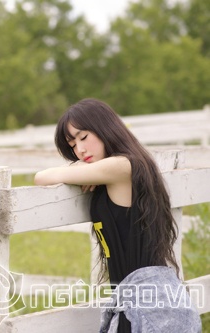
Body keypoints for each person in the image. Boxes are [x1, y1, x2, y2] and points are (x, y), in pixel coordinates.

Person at [34, 98, 201, 332]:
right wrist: (85, 170)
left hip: (148, 307)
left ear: (105, 128)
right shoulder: (127, 166)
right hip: (144, 302)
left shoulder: (122, 166)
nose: (79, 150)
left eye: (83, 137)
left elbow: (41, 177)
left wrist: (80, 169)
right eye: (72, 145)